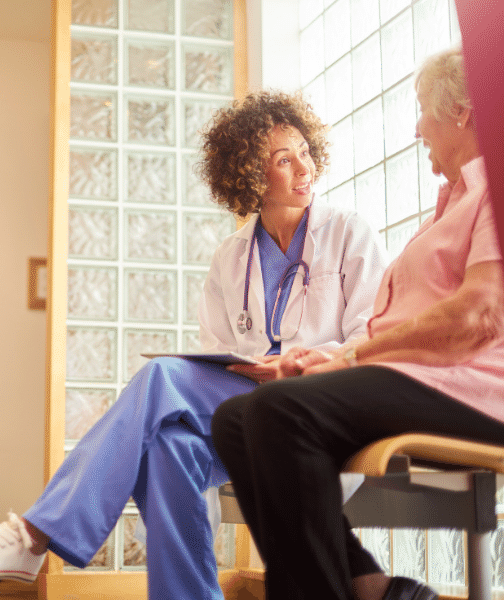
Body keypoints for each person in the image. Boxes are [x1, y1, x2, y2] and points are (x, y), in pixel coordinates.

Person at [0, 90, 388, 600]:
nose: (304, 168)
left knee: (162, 386)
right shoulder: (231, 257)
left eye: (305, 152)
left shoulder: (348, 233)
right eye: (284, 160)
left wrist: (302, 363)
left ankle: (36, 535)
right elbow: (221, 352)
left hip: (320, 407)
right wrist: (248, 369)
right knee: (172, 445)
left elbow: (370, 340)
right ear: (250, 175)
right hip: (253, 415)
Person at [211, 47, 503, 600]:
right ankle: (370, 586)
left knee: (280, 413)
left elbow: (477, 315)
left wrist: (350, 356)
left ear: (462, 111)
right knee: (234, 419)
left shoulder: (494, 193)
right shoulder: (449, 206)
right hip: (427, 378)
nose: (419, 129)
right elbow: (404, 323)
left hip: (478, 387)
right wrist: (331, 358)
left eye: (424, 111)